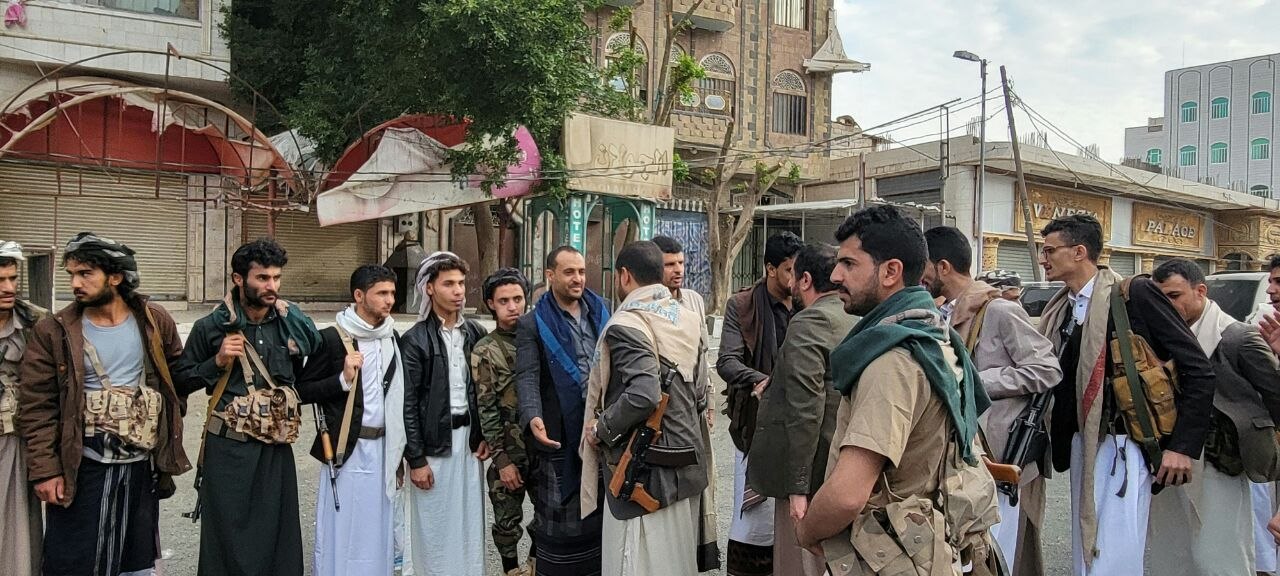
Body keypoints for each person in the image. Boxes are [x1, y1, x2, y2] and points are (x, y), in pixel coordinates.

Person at [793, 205, 990, 573]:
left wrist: (806, 531)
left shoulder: (893, 361)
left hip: (892, 555)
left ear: (890, 272)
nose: (835, 275)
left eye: (849, 264)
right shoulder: (937, 337)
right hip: (925, 547)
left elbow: (848, 494)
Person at [1034, 214, 1215, 576]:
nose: (1043, 258)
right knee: (1088, 550)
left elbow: (1198, 369)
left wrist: (1182, 447)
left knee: (1114, 554)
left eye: (1050, 250)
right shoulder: (1063, 307)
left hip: (1125, 444)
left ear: (1079, 252)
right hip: (1084, 442)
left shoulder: (1134, 295)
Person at [21, 233, 191, 576]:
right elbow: (37, 406)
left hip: (140, 469)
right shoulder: (54, 330)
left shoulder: (154, 321)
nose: (75, 283)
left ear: (115, 277)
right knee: (74, 561)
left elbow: (176, 380)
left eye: (85, 274)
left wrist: (155, 423)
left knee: (135, 561)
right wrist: (46, 470)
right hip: (82, 467)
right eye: (72, 274)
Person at [177, 238, 322, 576]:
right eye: (263, 278)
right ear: (238, 279)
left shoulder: (291, 322)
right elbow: (181, 381)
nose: (272, 286)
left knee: (279, 538)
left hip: (275, 448)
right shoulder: (210, 327)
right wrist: (216, 361)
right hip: (228, 449)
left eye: (276, 277)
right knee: (225, 542)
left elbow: (311, 367)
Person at [923, 226, 1061, 576]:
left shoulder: (999, 310)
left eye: (923, 267)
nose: (919, 277)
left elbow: (1046, 370)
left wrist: (978, 382)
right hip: (965, 460)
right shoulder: (941, 312)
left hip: (1000, 457)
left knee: (997, 557)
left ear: (942, 267)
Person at [580, 240, 709, 576]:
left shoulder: (629, 324)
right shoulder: (688, 318)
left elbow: (643, 394)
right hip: (682, 461)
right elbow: (700, 392)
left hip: (642, 471)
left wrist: (601, 429)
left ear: (624, 276)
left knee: (637, 561)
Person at [1147, 258, 1280, 575]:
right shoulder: (1157, 337)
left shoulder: (1237, 338)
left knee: (1221, 555)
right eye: (1161, 298)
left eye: (1175, 295)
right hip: (1168, 461)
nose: (1168, 305)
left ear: (1200, 291)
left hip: (1222, 463)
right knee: (1172, 554)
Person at [747, 242, 856, 576]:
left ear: (805, 280)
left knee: (802, 563)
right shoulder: (854, 316)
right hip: (845, 468)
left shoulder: (810, 322)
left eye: (794, 276)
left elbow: (805, 409)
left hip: (813, 472)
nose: (790, 284)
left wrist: (798, 487)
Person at [295, 265, 406, 576]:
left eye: (392, 293)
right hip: (347, 451)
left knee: (379, 527)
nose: (389, 300)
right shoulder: (331, 339)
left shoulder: (392, 336)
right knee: (342, 528)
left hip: (384, 449)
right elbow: (301, 390)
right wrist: (342, 380)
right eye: (381, 293)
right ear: (359, 295)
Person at [515, 246, 607, 575]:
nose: (578, 278)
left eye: (581, 271)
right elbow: (527, 375)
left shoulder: (603, 311)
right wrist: (532, 416)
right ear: (550, 275)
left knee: (602, 519)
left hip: (602, 430)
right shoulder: (532, 323)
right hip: (560, 433)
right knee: (561, 521)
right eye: (569, 272)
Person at [717, 231, 803, 576]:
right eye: (789, 270)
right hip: (755, 425)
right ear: (770, 268)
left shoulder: (807, 302)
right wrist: (762, 381)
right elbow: (727, 361)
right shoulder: (742, 305)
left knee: (796, 518)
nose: (795, 278)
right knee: (753, 522)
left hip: (800, 424)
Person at [401, 251, 490, 576]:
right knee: (433, 525)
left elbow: (484, 393)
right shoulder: (415, 340)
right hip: (433, 446)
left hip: (468, 445)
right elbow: (407, 403)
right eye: (448, 284)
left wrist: (485, 435)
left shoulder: (475, 333)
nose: (458, 291)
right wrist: (416, 459)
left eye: (461, 283)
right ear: (429, 288)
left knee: (468, 522)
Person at [652, 234, 720, 571]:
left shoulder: (693, 300)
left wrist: (709, 401)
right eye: (669, 264)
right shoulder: (648, 306)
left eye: (680, 263)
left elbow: (703, 356)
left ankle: (695, 555)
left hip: (696, 408)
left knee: (701, 481)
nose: (678, 270)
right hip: (666, 413)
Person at [472, 268, 534, 576]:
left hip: (542, 446)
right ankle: (511, 570)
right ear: (490, 304)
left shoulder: (538, 338)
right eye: (504, 301)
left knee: (552, 515)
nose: (513, 307)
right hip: (508, 449)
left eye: (518, 299)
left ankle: (535, 565)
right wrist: (502, 459)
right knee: (507, 521)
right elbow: (487, 408)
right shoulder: (486, 349)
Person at [0, 241, 45, 576]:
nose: (8, 288)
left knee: (17, 527)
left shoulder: (35, 323)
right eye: (0, 280)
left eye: (13, 279)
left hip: (16, 441)